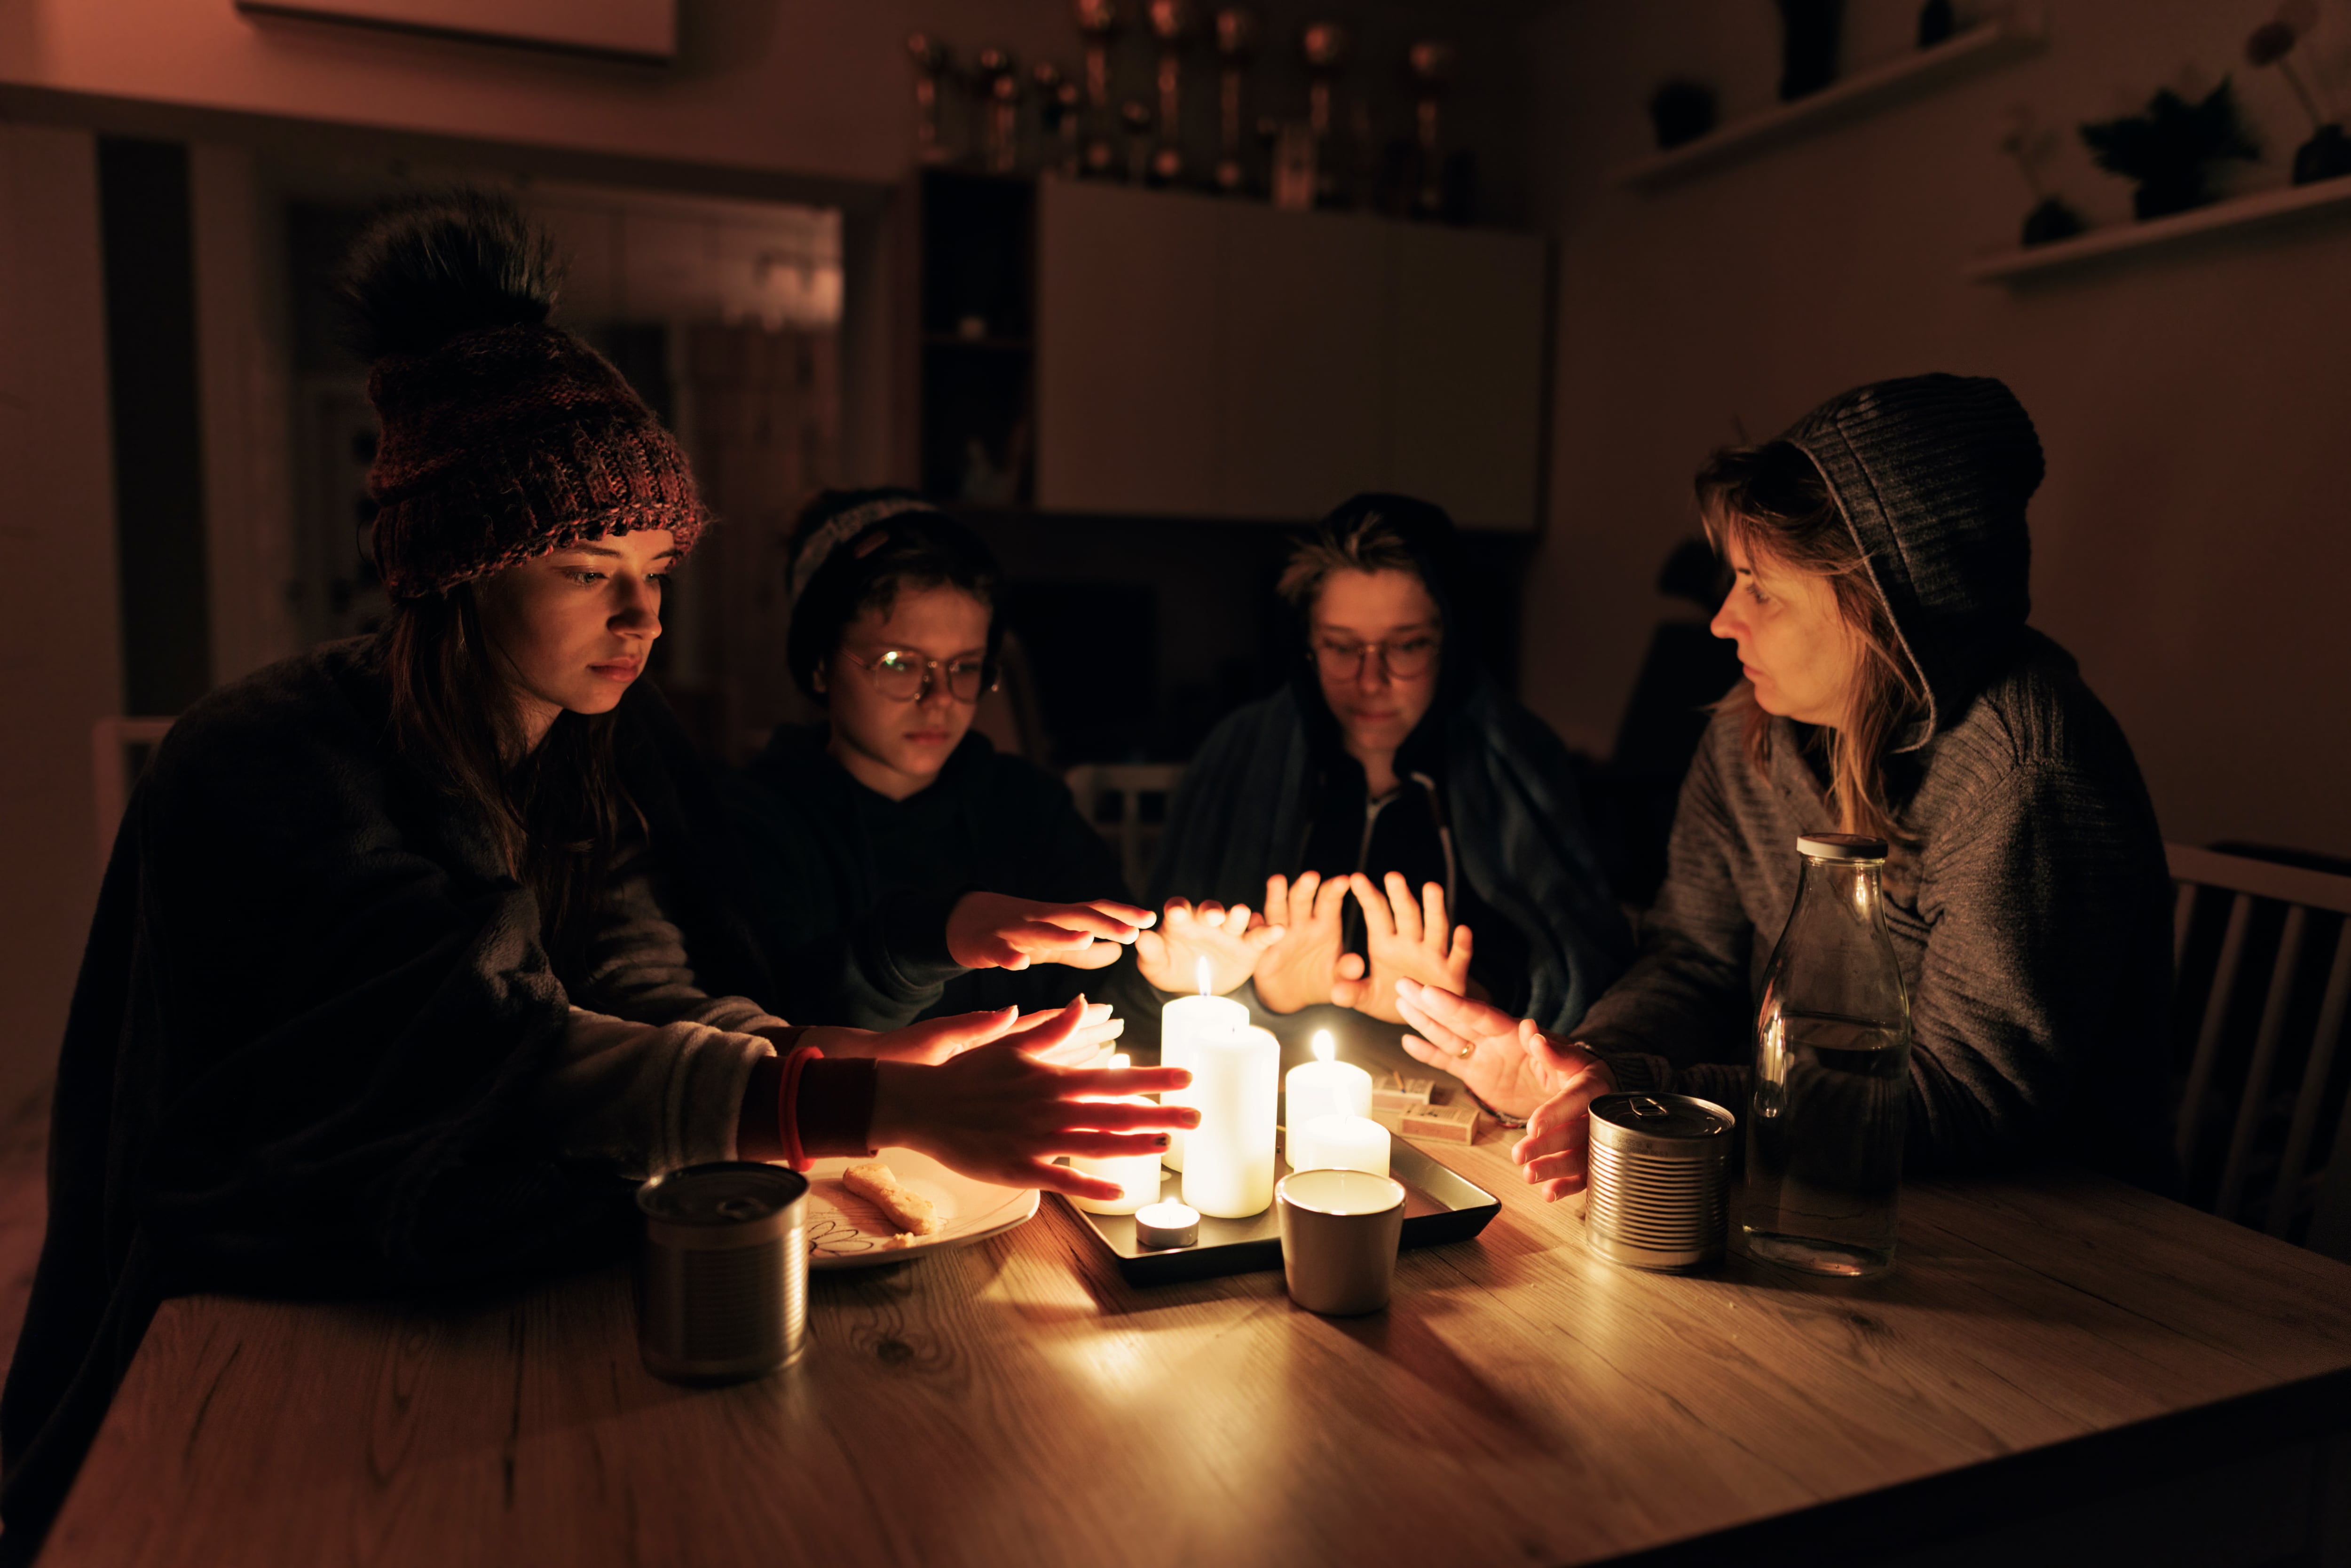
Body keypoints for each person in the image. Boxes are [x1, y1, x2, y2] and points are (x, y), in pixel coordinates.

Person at [0, 197, 1189, 1551]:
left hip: (471, 1294)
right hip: (248, 1324)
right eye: (588, 567)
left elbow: (638, 983)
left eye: (657, 568)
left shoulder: (586, 743)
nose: (645, 616)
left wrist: (842, 1057)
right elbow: (485, 1054)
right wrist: (861, 1099)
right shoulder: (276, 758)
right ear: (457, 575)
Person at [1391, 373, 2173, 1197]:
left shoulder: (2027, 771)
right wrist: (1587, 1065)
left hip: (2048, 1226)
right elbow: (1693, 960)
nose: (1722, 619)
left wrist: (1651, 1101)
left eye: (1761, 589)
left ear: (1883, 612)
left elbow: (1967, 1097)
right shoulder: (1753, 729)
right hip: (1816, 1184)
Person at [1138, 494, 1629, 1032]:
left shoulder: (1520, 759)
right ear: (1307, 645)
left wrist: (1469, 1000)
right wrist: (1257, 994)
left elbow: (1585, 970)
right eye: (1339, 646)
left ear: (1450, 642)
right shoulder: (1238, 752)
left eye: (1407, 646)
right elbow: (1158, 974)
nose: (1370, 681)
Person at [721, 491, 1157, 1030]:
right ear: (819, 665)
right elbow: (763, 1031)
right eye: (899, 663)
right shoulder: (752, 822)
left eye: (965, 667)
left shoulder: (1028, 805)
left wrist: (1162, 980)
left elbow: (1110, 993)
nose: (941, 699)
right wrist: (925, 943)